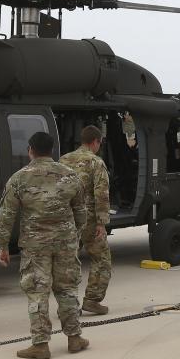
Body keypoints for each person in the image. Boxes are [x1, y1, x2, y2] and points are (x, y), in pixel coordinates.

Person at [0, 131, 89, 359]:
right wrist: (74, 236)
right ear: (52, 150)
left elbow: (7, 215)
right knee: (66, 288)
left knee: (38, 292)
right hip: (65, 242)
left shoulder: (19, 178)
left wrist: (3, 245)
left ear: (30, 150)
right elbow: (81, 211)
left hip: (36, 245)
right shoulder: (70, 175)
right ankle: (74, 338)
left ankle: (40, 344)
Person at [60, 125, 112, 315]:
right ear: (95, 142)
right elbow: (101, 194)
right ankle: (92, 300)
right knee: (102, 259)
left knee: (67, 262)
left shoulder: (63, 160)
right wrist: (101, 222)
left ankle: (67, 306)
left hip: (66, 219)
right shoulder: (96, 162)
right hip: (88, 220)